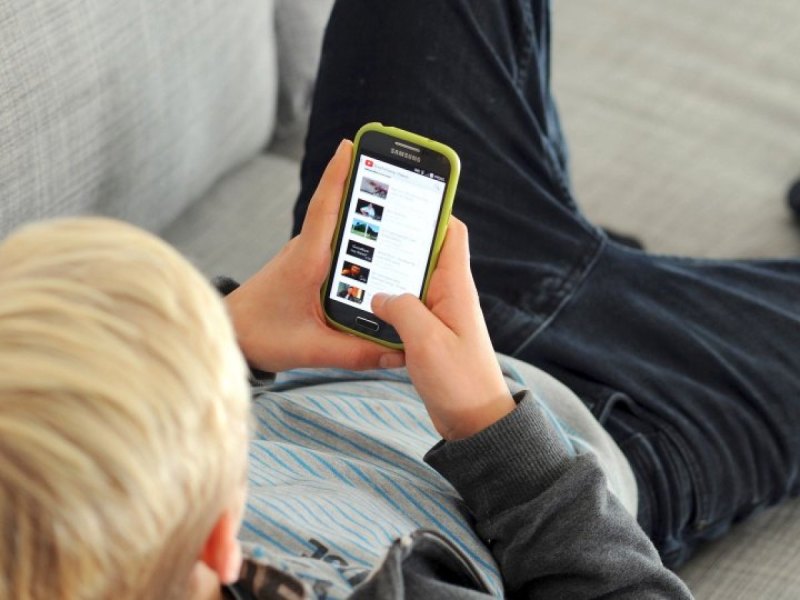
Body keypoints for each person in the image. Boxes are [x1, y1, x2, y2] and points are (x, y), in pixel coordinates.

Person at [1, 2, 797, 600]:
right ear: (218, 547)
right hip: (609, 415)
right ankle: (611, 268)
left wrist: (226, 339)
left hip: (382, 302)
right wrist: (491, 426)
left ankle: (573, 237)